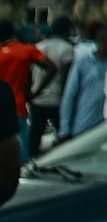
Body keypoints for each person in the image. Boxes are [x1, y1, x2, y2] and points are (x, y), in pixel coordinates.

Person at [58, 23, 107, 138]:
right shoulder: (83, 64)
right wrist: (65, 129)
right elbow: (69, 96)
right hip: (85, 126)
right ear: (103, 40)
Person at [25, 16, 73, 157]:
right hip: (57, 100)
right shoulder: (67, 49)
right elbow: (66, 77)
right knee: (63, 136)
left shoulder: (39, 46)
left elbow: (30, 72)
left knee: (34, 138)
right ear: (67, 30)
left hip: (37, 99)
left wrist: (30, 92)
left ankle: (30, 164)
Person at [0, 21, 47, 159]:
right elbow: (51, 67)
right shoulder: (27, 50)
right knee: (21, 152)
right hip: (17, 106)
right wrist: (35, 92)